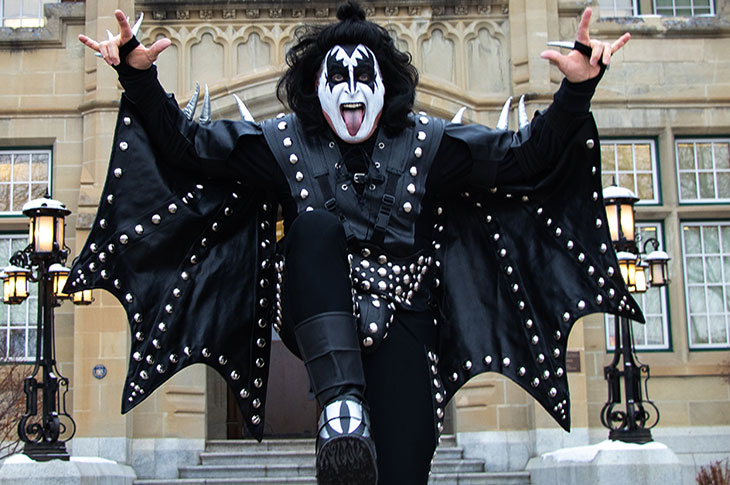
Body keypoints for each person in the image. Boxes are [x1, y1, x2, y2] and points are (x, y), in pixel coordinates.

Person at [74, 2, 637, 484]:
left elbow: (523, 158)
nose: (350, 90)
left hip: (404, 319)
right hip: (314, 316)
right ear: (314, 89)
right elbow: (188, 147)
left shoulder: (429, 145)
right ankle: (340, 405)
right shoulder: (282, 146)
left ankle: (360, 430)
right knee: (315, 225)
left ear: (384, 85)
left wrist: (575, 91)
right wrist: (138, 79)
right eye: (335, 77)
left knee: (399, 464)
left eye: (361, 77)